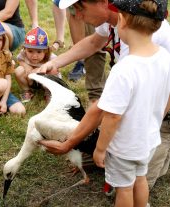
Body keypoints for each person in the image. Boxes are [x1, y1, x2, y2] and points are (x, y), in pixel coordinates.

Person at [38, 0, 170, 190]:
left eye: (79, 8)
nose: (78, 16)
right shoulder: (122, 18)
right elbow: (93, 42)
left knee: (130, 186)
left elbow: (105, 108)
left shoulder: (140, 38)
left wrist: (70, 142)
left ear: (103, 2)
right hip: (146, 106)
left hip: (161, 115)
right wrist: (57, 62)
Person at [92, 0, 170, 206]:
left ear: (121, 20)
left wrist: (100, 149)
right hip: (149, 140)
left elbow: (112, 115)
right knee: (140, 178)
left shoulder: (123, 70)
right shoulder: (165, 57)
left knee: (124, 188)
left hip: (124, 146)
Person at [15, 27, 61, 103]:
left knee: (51, 74)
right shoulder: (23, 54)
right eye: (30, 51)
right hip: (31, 80)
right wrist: (26, 66)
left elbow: (56, 69)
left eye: (39, 52)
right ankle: (26, 91)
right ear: (25, 49)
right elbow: (20, 60)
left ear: (46, 51)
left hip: (47, 81)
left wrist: (39, 70)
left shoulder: (51, 57)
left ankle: (49, 92)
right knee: (18, 70)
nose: (34, 56)